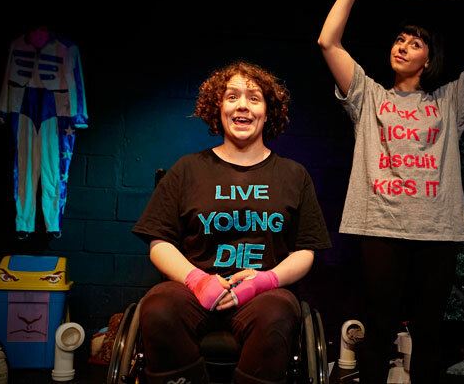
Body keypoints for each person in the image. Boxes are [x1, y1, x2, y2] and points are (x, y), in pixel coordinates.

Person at [317, 0, 464, 383]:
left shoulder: (449, 100)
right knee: (379, 328)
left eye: (415, 42)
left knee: (428, 334)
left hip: (437, 232)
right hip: (381, 229)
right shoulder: (369, 96)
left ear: (429, 59)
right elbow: (328, 41)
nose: (404, 46)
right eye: (400, 39)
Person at [132, 61, 331, 384]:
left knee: (278, 314)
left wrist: (264, 281)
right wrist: (198, 281)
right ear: (218, 108)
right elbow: (159, 242)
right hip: (193, 290)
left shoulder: (293, 175)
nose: (242, 105)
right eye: (232, 97)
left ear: (268, 112)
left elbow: (306, 250)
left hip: (263, 293)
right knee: (158, 306)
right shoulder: (188, 169)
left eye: (254, 98)